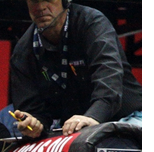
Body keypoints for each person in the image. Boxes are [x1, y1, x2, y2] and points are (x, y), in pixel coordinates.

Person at [9, 0, 142, 138]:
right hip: (76, 130)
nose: (41, 7)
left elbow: (109, 81)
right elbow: (35, 114)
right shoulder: (22, 52)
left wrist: (93, 116)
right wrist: (34, 126)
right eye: (34, 1)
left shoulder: (92, 23)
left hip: (129, 118)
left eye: (48, 0)